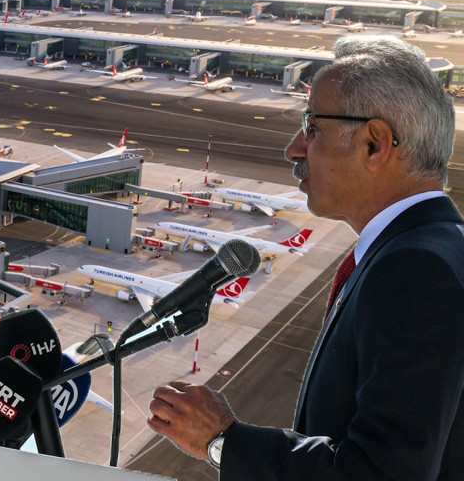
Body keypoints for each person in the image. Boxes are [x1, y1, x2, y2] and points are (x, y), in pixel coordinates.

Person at [147, 35, 464, 479]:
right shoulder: (435, 247)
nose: (294, 149)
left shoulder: (414, 270)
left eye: (313, 127)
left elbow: (383, 473)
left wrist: (223, 440)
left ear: (374, 144)